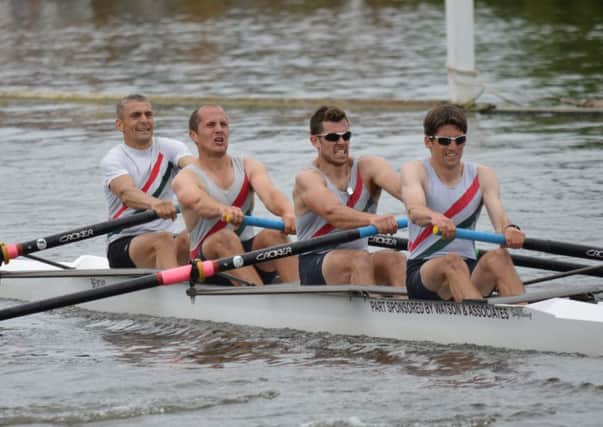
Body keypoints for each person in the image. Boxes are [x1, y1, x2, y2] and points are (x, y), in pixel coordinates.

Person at [400, 104, 525, 302]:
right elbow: (414, 210)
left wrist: (510, 229)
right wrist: (434, 217)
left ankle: (524, 317)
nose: (453, 147)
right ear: (428, 141)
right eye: (444, 141)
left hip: (467, 268)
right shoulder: (415, 170)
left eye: (459, 141)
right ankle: (483, 325)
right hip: (424, 273)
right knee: (452, 262)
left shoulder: (483, 175)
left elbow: (499, 217)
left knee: (500, 258)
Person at [172, 105, 299, 286]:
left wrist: (288, 213)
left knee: (275, 235)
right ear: (194, 136)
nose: (219, 130)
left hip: (246, 254)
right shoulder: (186, 177)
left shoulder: (248, 165)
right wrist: (222, 209)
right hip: (208, 265)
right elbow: (198, 202)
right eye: (210, 125)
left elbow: (270, 194)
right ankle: (260, 301)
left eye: (223, 125)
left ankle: (300, 294)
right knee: (225, 238)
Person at [293, 106, 406, 286]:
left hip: (360, 259)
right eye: (332, 137)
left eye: (346, 136)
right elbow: (333, 213)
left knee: (396, 259)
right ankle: (374, 312)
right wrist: (373, 220)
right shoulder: (308, 178)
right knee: (359, 260)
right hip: (315, 261)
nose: (341, 142)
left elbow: (405, 191)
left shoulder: (369, 166)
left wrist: (429, 211)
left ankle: (405, 312)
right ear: (315, 141)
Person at [101, 94, 194, 269]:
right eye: (136, 115)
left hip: (166, 239)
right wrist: (155, 204)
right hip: (123, 243)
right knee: (163, 240)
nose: (144, 120)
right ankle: (175, 292)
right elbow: (126, 193)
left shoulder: (171, 147)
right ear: (120, 125)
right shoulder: (114, 159)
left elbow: (194, 169)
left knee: (196, 236)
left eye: (148, 114)